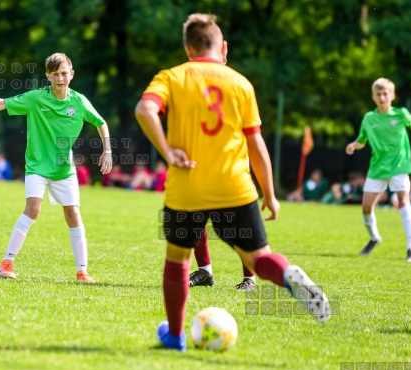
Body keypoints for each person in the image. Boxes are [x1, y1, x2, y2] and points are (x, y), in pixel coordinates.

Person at [135, 13, 330, 351]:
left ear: (187, 48)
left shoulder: (172, 76)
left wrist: (167, 150)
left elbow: (144, 110)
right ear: (222, 47)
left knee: (178, 260)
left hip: (188, 187)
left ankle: (176, 336)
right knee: (259, 258)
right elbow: (256, 146)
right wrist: (270, 194)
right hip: (235, 187)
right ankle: (287, 276)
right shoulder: (241, 83)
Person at [0, 52, 112, 282]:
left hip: (64, 170)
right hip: (37, 167)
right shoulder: (36, 98)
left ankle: (82, 271)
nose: (60, 78)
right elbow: (1, 104)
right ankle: (6, 263)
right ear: (48, 77)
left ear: (71, 75)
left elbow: (101, 122)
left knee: (73, 214)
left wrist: (107, 151)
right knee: (33, 208)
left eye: (64, 73)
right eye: (55, 75)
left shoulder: (79, 101)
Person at [346, 78, 411, 263]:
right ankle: (374, 238)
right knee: (366, 207)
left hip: (399, 165)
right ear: (373, 97)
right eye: (378, 94)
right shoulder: (369, 118)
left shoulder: (400, 114)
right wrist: (354, 145)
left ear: (392, 95)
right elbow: (362, 140)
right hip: (377, 167)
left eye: (385, 93)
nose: (382, 97)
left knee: (403, 200)